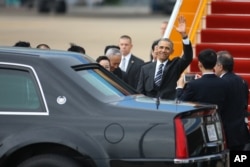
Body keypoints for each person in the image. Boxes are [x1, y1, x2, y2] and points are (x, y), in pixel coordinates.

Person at [137, 15, 193, 100]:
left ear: (172, 52)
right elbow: (140, 91)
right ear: (157, 49)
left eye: (167, 48)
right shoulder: (145, 68)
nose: (163, 50)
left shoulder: (175, 65)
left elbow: (188, 57)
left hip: (167, 106)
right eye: (161, 47)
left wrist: (184, 36)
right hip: (149, 107)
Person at [214, 50, 250, 150]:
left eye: (215, 65)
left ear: (220, 66)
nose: (214, 68)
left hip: (226, 132)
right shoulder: (242, 81)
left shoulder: (220, 83)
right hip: (241, 131)